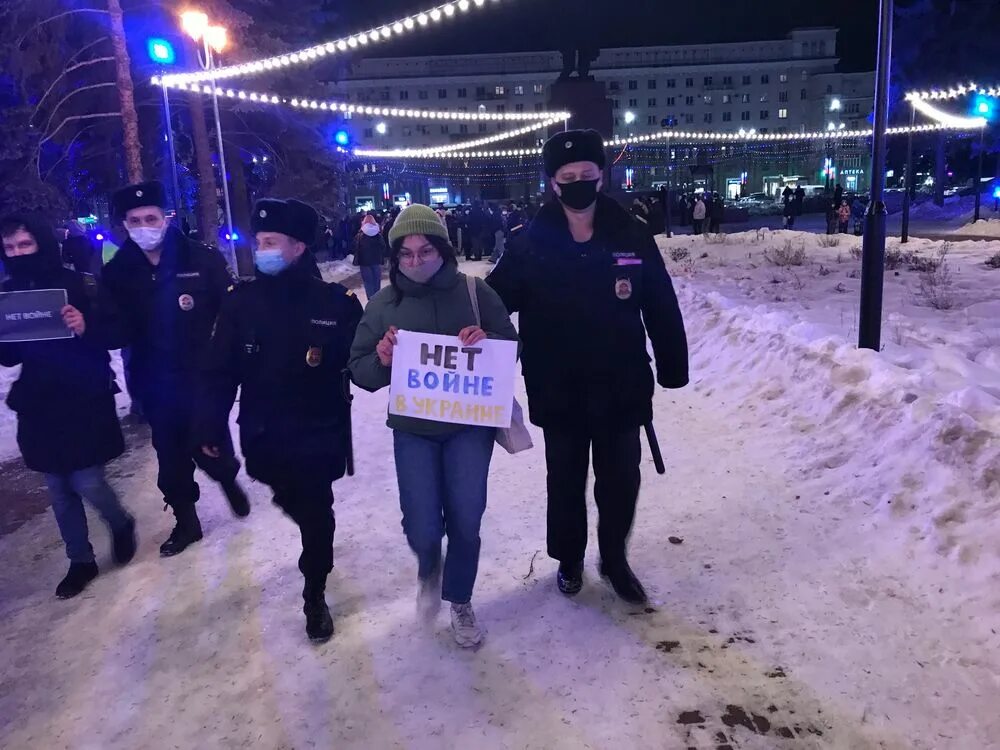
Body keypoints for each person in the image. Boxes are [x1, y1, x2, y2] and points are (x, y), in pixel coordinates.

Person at [486, 129, 689, 605]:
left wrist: (672, 365)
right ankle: (570, 557)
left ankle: (614, 557)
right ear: (553, 183)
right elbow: (494, 304)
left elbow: (660, 301)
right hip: (558, 386)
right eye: (567, 176)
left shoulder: (631, 233)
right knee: (566, 477)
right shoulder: (529, 242)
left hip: (621, 384)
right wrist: (463, 330)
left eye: (586, 175)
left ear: (601, 177)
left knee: (621, 477)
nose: (577, 182)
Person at [349, 203, 518, 648]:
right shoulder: (385, 304)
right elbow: (359, 368)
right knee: (422, 524)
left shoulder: (476, 293)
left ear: (443, 249)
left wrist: (489, 342)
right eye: (405, 254)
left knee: (466, 517)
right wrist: (382, 360)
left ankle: (460, 599)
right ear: (394, 258)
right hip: (414, 431)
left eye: (425, 251)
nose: (416, 261)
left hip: (468, 429)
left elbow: (509, 346)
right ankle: (429, 567)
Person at [197, 198, 361, 643]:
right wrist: (211, 423)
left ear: (298, 247)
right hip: (263, 432)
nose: (261, 249)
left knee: (315, 511)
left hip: (317, 429)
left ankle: (315, 592)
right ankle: (311, 540)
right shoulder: (240, 303)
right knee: (289, 496)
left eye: (271, 242)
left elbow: (363, 364)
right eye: (259, 241)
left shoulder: (337, 303)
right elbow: (218, 370)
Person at [102, 181, 249, 557]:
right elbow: (115, 330)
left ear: (165, 218)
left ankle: (225, 476)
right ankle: (187, 521)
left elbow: (232, 311)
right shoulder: (119, 271)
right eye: (135, 220)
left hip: (203, 374)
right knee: (170, 453)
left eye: (150, 217)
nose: (144, 226)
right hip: (154, 380)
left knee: (209, 441)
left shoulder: (200, 258)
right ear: (125, 224)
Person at [0, 214, 135, 598]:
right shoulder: (8, 295)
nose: (17, 253)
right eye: (10, 247)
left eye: (25, 245)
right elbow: (9, 358)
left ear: (41, 242)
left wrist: (85, 325)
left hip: (83, 397)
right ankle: (80, 560)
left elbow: (118, 332)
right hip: (39, 401)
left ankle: (120, 522)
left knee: (87, 479)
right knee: (58, 487)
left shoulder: (81, 284)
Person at [354, 214, 387, 300]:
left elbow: (355, 247)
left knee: (368, 282)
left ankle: (371, 301)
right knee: (376, 281)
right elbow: (383, 246)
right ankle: (377, 300)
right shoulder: (377, 234)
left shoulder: (360, 234)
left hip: (364, 262)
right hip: (376, 261)